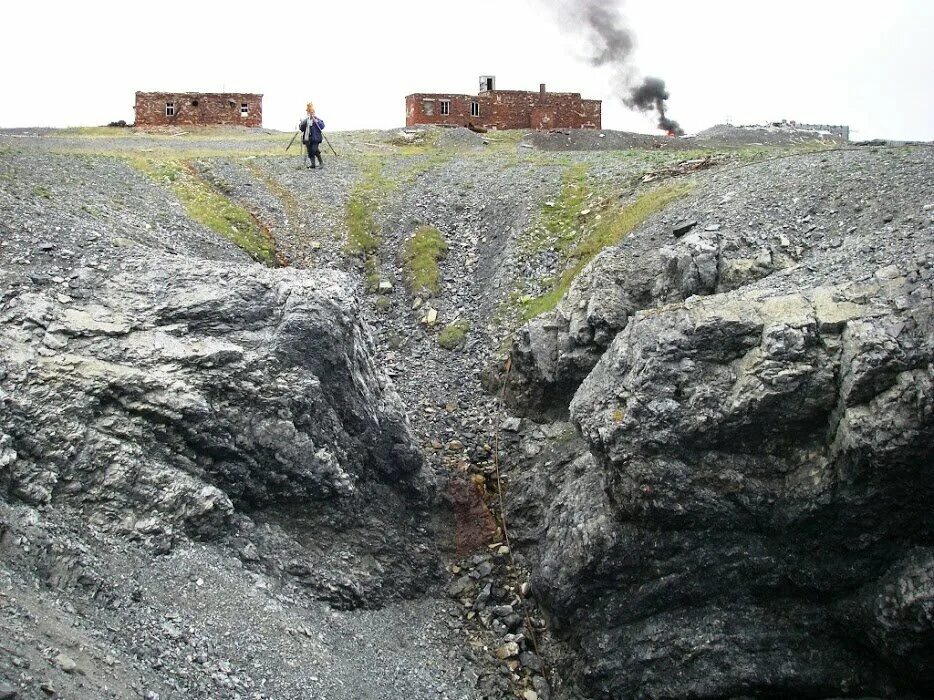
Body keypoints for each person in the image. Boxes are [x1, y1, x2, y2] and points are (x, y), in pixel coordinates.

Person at [299, 103, 325, 170]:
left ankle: (321, 162)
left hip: (315, 138)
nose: (310, 113)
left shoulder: (317, 119)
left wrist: (316, 121)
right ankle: (313, 164)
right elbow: (301, 129)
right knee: (310, 151)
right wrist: (303, 123)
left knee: (315, 150)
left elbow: (322, 126)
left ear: (314, 112)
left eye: (312, 112)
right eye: (309, 112)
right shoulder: (305, 120)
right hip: (307, 138)